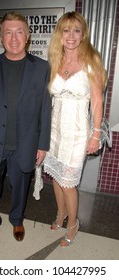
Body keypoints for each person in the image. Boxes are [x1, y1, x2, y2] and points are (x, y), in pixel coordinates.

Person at [0, 12, 51, 245]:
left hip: (25, 143)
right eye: (8, 32)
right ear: (1, 36)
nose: (13, 38)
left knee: (20, 187)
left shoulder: (42, 68)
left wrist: (42, 145)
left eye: (19, 32)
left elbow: (45, 109)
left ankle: (17, 219)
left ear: (27, 36)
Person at [43, 11, 107, 247]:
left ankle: (73, 223)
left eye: (76, 30)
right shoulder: (55, 61)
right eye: (66, 30)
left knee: (69, 183)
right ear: (60, 34)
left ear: (83, 35)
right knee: (57, 179)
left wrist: (96, 134)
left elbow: (98, 102)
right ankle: (61, 214)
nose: (71, 35)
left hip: (78, 132)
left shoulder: (91, 62)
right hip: (54, 131)